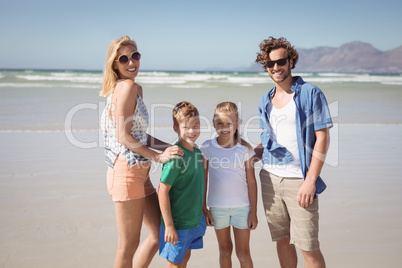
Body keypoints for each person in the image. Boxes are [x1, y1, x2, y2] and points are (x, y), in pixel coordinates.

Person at [100, 36, 183, 268]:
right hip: (126, 172)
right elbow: (122, 136)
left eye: (135, 55)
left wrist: (170, 148)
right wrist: (157, 157)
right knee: (127, 246)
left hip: (140, 174)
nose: (131, 62)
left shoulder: (135, 88)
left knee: (158, 235)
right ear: (115, 64)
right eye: (123, 58)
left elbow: (138, 135)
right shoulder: (126, 87)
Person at [254, 36, 333, 268]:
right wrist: (246, 156)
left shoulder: (310, 93)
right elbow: (267, 141)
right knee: (282, 242)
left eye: (281, 62)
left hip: (299, 180)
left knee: (309, 246)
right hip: (269, 178)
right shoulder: (265, 99)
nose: (276, 67)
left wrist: (310, 181)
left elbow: (323, 138)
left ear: (291, 62)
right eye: (270, 64)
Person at [200, 102, 258, 268]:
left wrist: (253, 212)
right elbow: (203, 180)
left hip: (243, 208)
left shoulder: (244, 149)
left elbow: (252, 182)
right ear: (213, 124)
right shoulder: (207, 147)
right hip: (217, 208)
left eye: (229, 123)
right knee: (225, 250)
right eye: (220, 124)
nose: (224, 128)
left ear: (237, 123)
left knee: (243, 253)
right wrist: (204, 208)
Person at [158, 101, 206, 268]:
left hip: (194, 219)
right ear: (176, 128)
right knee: (174, 263)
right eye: (186, 127)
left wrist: (204, 210)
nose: (192, 131)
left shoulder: (198, 153)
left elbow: (200, 184)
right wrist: (169, 225)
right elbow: (162, 191)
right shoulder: (176, 156)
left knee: (185, 257)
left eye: (196, 126)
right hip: (177, 223)